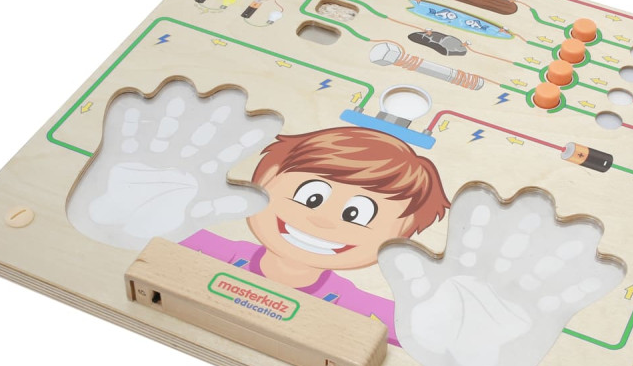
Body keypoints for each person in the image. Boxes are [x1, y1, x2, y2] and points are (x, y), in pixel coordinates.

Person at [181, 126, 449, 345]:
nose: (322, 220)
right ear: (264, 180)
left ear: (402, 235)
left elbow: (422, 330)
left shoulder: (353, 303)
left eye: (355, 214)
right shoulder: (215, 249)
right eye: (312, 197)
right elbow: (168, 238)